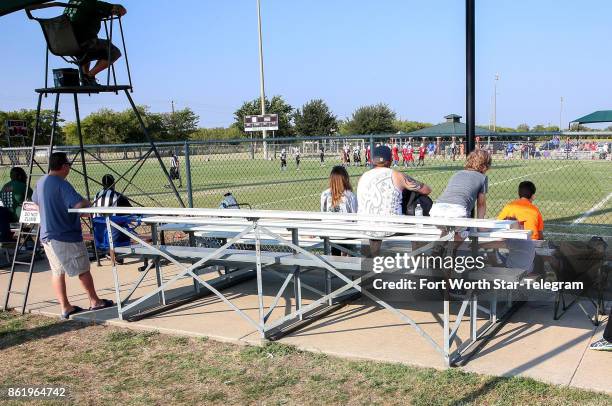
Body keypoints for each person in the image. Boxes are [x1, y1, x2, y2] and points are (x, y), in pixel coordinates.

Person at [32, 152, 113, 319]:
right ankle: (95, 301)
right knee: (82, 268)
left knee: (57, 272)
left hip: (47, 235)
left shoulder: (40, 182)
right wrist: (86, 202)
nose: (69, 168)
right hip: (65, 235)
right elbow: (78, 204)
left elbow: (35, 201)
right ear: (63, 166)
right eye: (68, 165)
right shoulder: (62, 184)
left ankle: (65, 307)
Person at [357, 146, 432, 256]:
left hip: (365, 226)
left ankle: (373, 258)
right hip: (390, 226)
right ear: (391, 160)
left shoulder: (364, 176)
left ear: (373, 160)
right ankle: (418, 260)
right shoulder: (396, 175)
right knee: (416, 226)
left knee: (375, 217)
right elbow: (426, 190)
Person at [64, 0, 127, 86]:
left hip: (66, 44)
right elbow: (122, 11)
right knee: (114, 52)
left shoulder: (71, 2)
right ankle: (89, 76)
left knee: (86, 52)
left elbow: (82, 14)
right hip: (84, 42)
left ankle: (85, 79)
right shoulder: (92, 3)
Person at [430, 149, 491, 220]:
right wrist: (481, 226)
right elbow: (481, 204)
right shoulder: (482, 177)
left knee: (445, 229)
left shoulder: (457, 173)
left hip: (436, 210)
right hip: (458, 212)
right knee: (463, 229)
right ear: (485, 165)